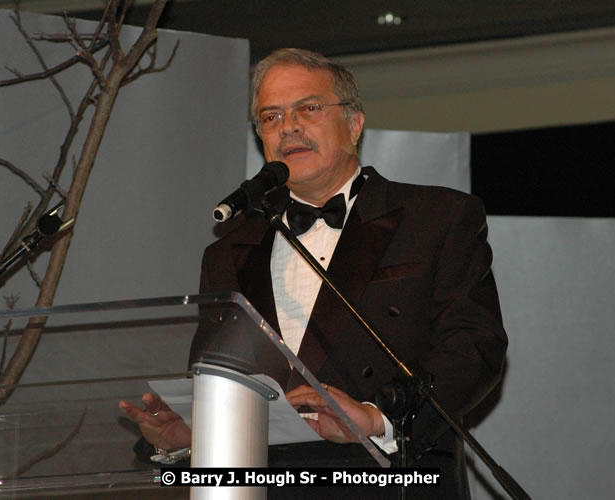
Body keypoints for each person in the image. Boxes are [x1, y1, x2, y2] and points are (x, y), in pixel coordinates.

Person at [120, 48, 507, 499]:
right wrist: (192, 436)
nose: (289, 127)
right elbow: (220, 380)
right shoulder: (228, 253)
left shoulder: (436, 217)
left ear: (355, 123)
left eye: (309, 108)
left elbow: (474, 348)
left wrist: (375, 418)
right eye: (270, 117)